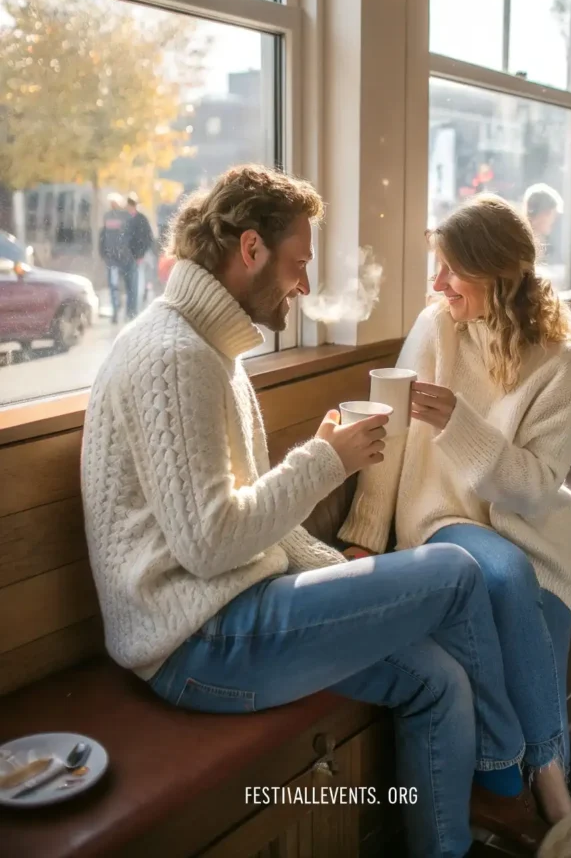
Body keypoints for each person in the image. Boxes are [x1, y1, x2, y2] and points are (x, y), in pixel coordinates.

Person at [82, 166, 547, 858]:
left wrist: (341, 575)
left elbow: (240, 518)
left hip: (238, 606)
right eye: (297, 264)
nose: (302, 284)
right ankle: (501, 770)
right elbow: (211, 544)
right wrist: (328, 460)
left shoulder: (210, 352)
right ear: (249, 250)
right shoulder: (174, 357)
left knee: (439, 681)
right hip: (192, 641)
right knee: (452, 572)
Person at [339, 194, 571, 828]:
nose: (437, 283)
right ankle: (549, 783)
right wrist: (367, 535)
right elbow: (389, 438)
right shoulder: (435, 328)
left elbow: (535, 488)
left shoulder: (561, 364)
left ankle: (525, 769)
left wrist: (461, 424)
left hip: (535, 533)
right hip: (444, 515)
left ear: (496, 272)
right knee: (505, 574)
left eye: (451, 269)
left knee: (531, 593)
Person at [98, 193, 133, 325]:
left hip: (121, 258)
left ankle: (120, 308)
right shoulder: (112, 217)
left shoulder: (122, 217)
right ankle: (116, 310)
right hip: (114, 258)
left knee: (119, 286)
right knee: (115, 285)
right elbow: (104, 236)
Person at [124, 192, 155, 317]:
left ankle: (134, 311)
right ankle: (130, 311)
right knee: (130, 286)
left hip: (137, 257)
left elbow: (147, 238)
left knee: (136, 285)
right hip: (128, 256)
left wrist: (141, 254)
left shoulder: (140, 219)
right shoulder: (128, 219)